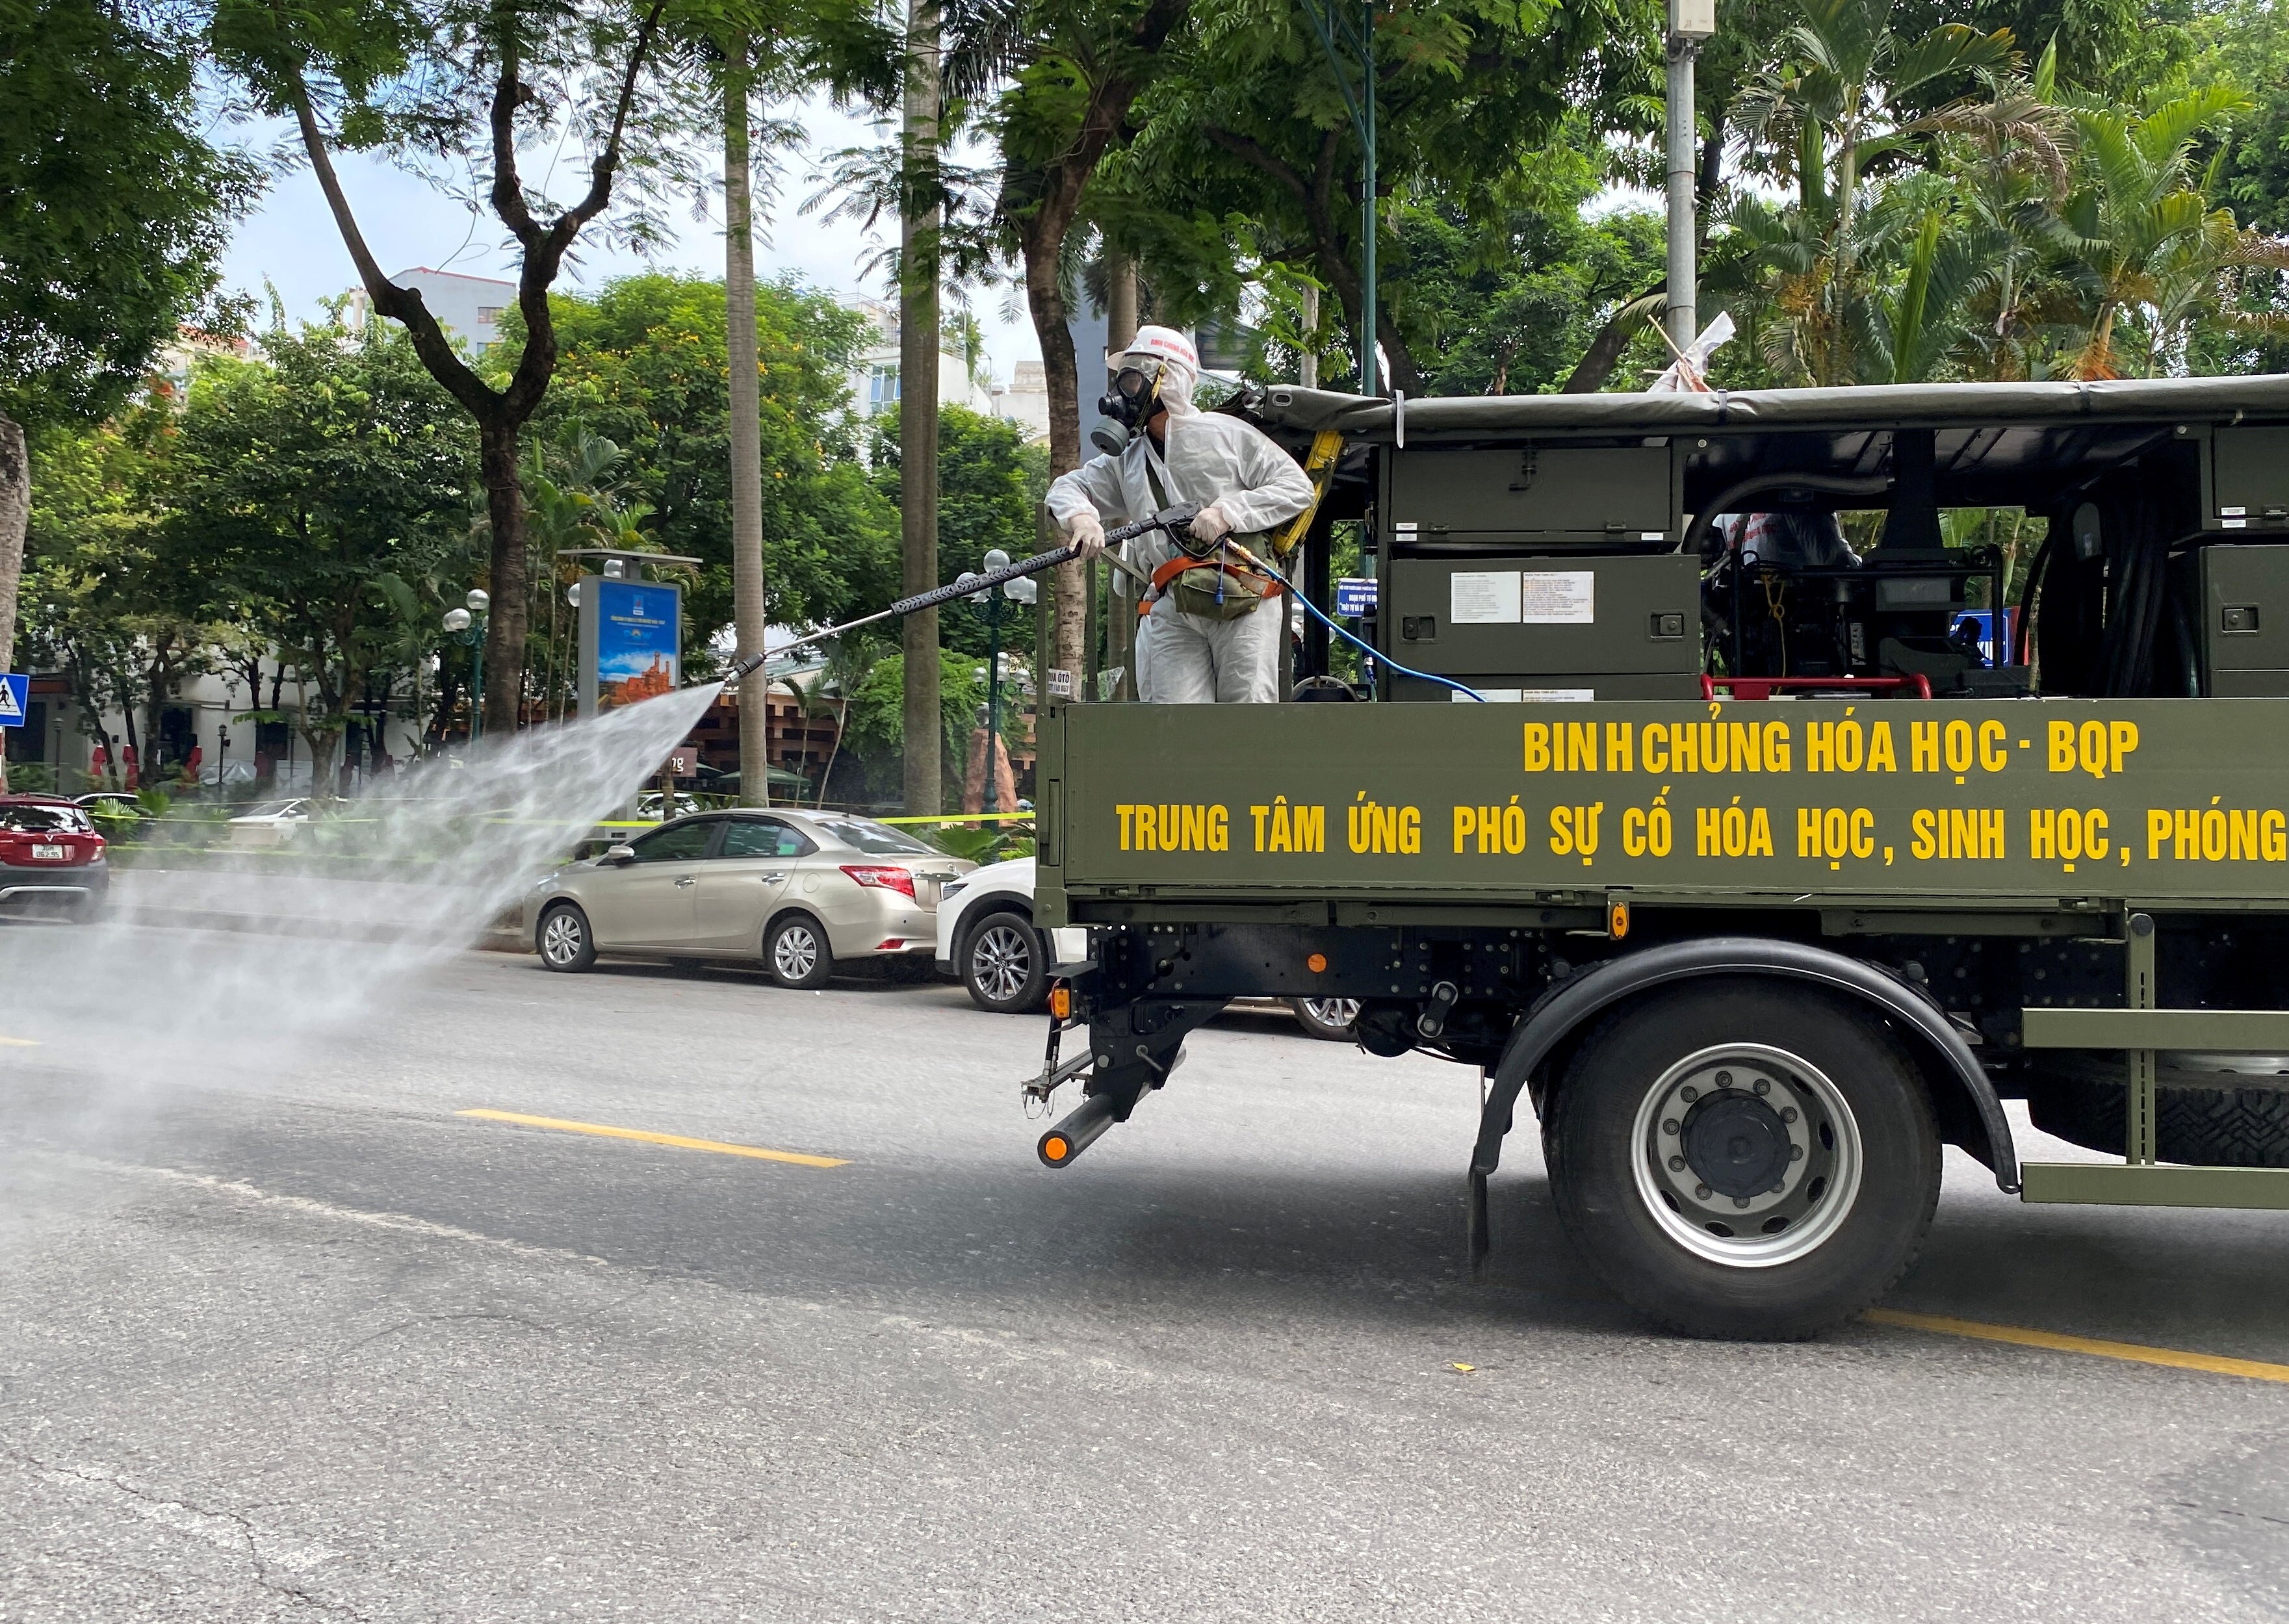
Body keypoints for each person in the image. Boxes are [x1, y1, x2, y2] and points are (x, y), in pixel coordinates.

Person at [1044, 326, 1315, 703]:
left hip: (1241, 595)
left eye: (1134, 379)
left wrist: (1229, 512)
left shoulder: (1227, 435)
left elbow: (1297, 488)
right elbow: (1068, 487)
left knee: (1247, 716)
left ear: (1167, 380)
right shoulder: (1128, 460)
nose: (1124, 392)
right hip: (1174, 600)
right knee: (1174, 719)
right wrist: (1083, 519)